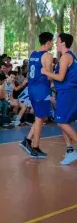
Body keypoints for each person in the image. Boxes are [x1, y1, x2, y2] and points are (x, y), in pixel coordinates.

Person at [41, 33, 77, 165]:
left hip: (68, 93)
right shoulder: (68, 57)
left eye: (57, 41)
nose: (55, 43)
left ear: (63, 43)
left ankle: (71, 150)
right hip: (65, 93)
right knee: (62, 121)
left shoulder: (65, 57)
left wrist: (46, 72)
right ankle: (69, 151)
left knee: (62, 122)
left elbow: (61, 77)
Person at [19, 32, 53, 158]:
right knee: (40, 118)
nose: (53, 44)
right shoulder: (47, 55)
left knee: (42, 117)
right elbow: (49, 75)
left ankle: (27, 140)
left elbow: (30, 73)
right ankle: (35, 147)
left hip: (32, 88)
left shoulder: (33, 54)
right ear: (48, 42)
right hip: (41, 89)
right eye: (52, 41)